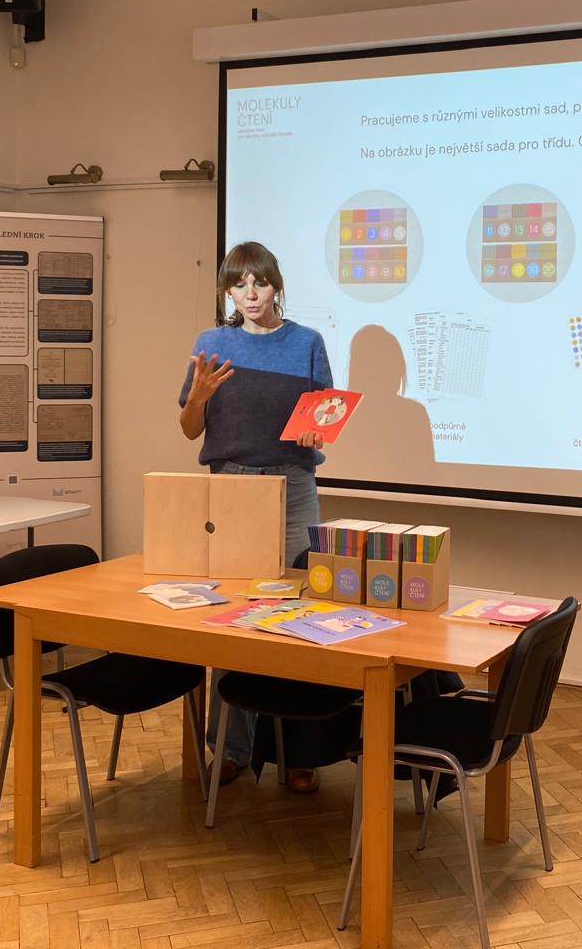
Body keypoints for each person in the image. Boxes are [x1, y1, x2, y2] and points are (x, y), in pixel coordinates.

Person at [178, 241, 331, 793]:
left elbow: (324, 419)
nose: (249, 294)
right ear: (227, 291)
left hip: (294, 485)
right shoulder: (212, 344)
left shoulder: (307, 342)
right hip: (233, 486)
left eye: (259, 283)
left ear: (275, 286)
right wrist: (197, 396)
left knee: (301, 612)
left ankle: (299, 751)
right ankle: (232, 748)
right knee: (235, 614)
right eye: (238, 284)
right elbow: (190, 429)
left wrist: (316, 433)